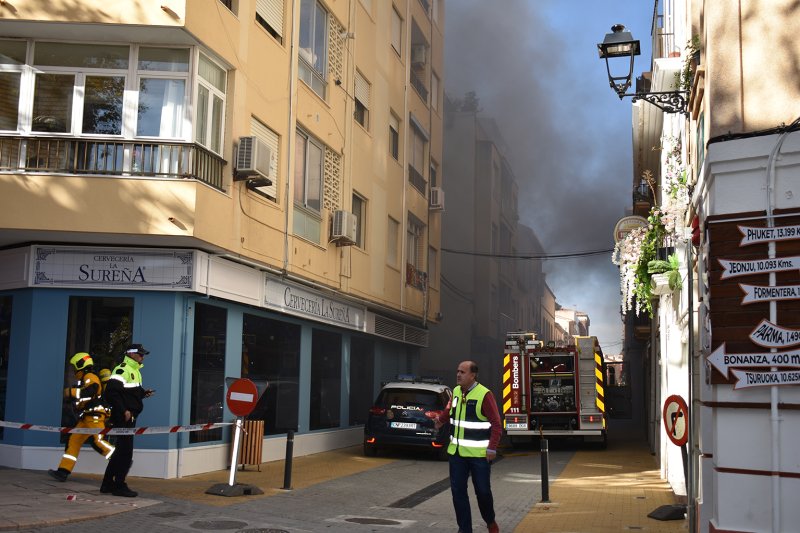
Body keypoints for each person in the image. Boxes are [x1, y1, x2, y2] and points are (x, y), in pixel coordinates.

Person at [434, 361, 502, 533]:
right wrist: (440, 421)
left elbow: (496, 424)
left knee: (483, 492)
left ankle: (490, 521)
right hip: (456, 454)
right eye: (457, 371)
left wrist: (492, 448)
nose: (458, 374)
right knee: (458, 493)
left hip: (479, 455)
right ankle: (465, 529)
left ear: (473, 375)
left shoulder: (484, 395)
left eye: (462, 372)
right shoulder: (456, 391)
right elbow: (449, 410)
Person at [48, 353, 115, 482]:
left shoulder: (90, 376)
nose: (73, 370)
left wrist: (71, 392)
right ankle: (63, 471)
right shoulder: (84, 378)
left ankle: (121, 460)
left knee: (98, 442)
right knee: (73, 441)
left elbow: (92, 390)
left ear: (80, 365)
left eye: (74, 367)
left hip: (94, 416)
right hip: (86, 418)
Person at [101, 344, 154, 497]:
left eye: (143, 355)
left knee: (120, 452)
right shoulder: (122, 369)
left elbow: (128, 393)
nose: (142, 357)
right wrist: (124, 410)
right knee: (125, 453)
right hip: (123, 417)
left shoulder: (135, 371)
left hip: (129, 417)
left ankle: (107, 484)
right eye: (140, 354)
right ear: (131, 354)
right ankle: (119, 485)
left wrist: (144, 394)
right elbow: (111, 393)